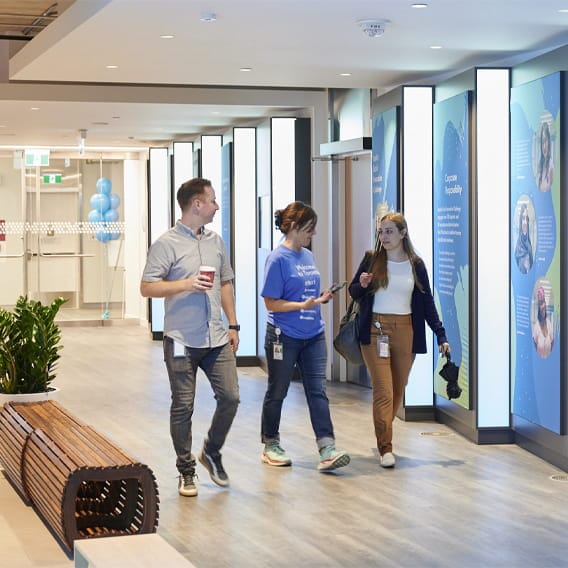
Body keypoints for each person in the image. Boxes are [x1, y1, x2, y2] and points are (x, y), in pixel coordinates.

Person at [140, 177, 240, 497]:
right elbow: (147, 287)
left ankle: (211, 451)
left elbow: (225, 283)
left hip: (216, 336)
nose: (216, 206)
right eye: (212, 200)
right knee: (183, 405)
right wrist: (185, 284)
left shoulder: (215, 241)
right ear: (196, 204)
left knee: (231, 397)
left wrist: (234, 324)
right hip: (181, 337)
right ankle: (186, 469)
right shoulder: (166, 244)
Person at [348, 212, 450, 468]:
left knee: (397, 390)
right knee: (383, 390)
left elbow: (427, 304)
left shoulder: (416, 265)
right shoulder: (372, 260)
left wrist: (441, 335)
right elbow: (354, 292)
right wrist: (361, 285)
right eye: (381, 232)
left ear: (403, 233)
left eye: (390, 231)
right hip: (375, 330)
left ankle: (383, 429)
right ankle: (386, 447)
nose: (384, 237)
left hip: (406, 330)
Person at [260, 201, 350, 472]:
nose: (313, 234)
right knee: (278, 391)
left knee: (318, 392)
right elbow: (271, 303)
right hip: (284, 335)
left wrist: (321, 298)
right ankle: (270, 444)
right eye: (309, 229)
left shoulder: (307, 256)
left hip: (313, 334)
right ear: (295, 227)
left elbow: (306, 292)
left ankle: (327, 448)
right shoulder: (277, 259)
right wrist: (301, 305)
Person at [532, 286, 553, 358]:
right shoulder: (536, 327)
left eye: (544, 303)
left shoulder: (549, 324)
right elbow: (534, 345)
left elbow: (552, 343)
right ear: (538, 308)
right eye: (541, 304)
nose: (543, 306)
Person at [514, 203, 533, 274]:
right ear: (520, 221)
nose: (525, 222)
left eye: (526, 218)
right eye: (523, 218)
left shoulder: (529, 245)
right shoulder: (518, 247)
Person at [537, 121, 554, 192]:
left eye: (545, 141)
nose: (544, 146)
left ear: (549, 142)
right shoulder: (540, 165)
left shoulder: (551, 165)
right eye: (542, 142)